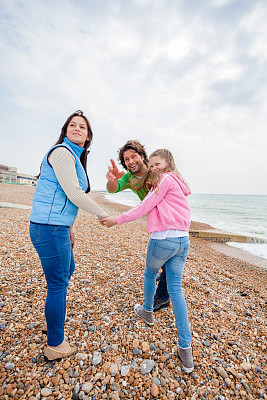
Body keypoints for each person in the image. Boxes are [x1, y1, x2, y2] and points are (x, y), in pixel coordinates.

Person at [101, 149, 194, 373]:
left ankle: (148, 311)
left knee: (150, 274)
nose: (153, 168)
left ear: (168, 163)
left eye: (157, 164)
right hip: (183, 240)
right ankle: (186, 350)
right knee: (176, 290)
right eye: (151, 165)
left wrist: (117, 220)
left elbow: (145, 206)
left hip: (163, 240)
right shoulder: (179, 182)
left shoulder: (164, 179)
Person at [29, 110, 108, 361]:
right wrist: (103, 214)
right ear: (65, 131)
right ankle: (55, 345)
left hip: (56, 227)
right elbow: (74, 193)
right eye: (72, 125)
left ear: (88, 138)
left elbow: (65, 198)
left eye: (82, 127)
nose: (76, 129)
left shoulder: (74, 156)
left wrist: (70, 229)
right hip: (49, 227)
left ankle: (51, 319)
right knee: (58, 283)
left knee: (67, 270)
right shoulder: (62, 153)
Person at [106, 140, 171, 312]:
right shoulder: (129, 177)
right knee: (164, 253)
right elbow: (113, 189)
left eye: (133, 156)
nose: (130, 161)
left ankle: (163, 297)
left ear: (142, 156)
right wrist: (113, 179)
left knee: (169, 256)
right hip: (155, 219)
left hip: (169, 216)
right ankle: (165, 273)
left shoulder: (155, 167)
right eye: (126, 159)